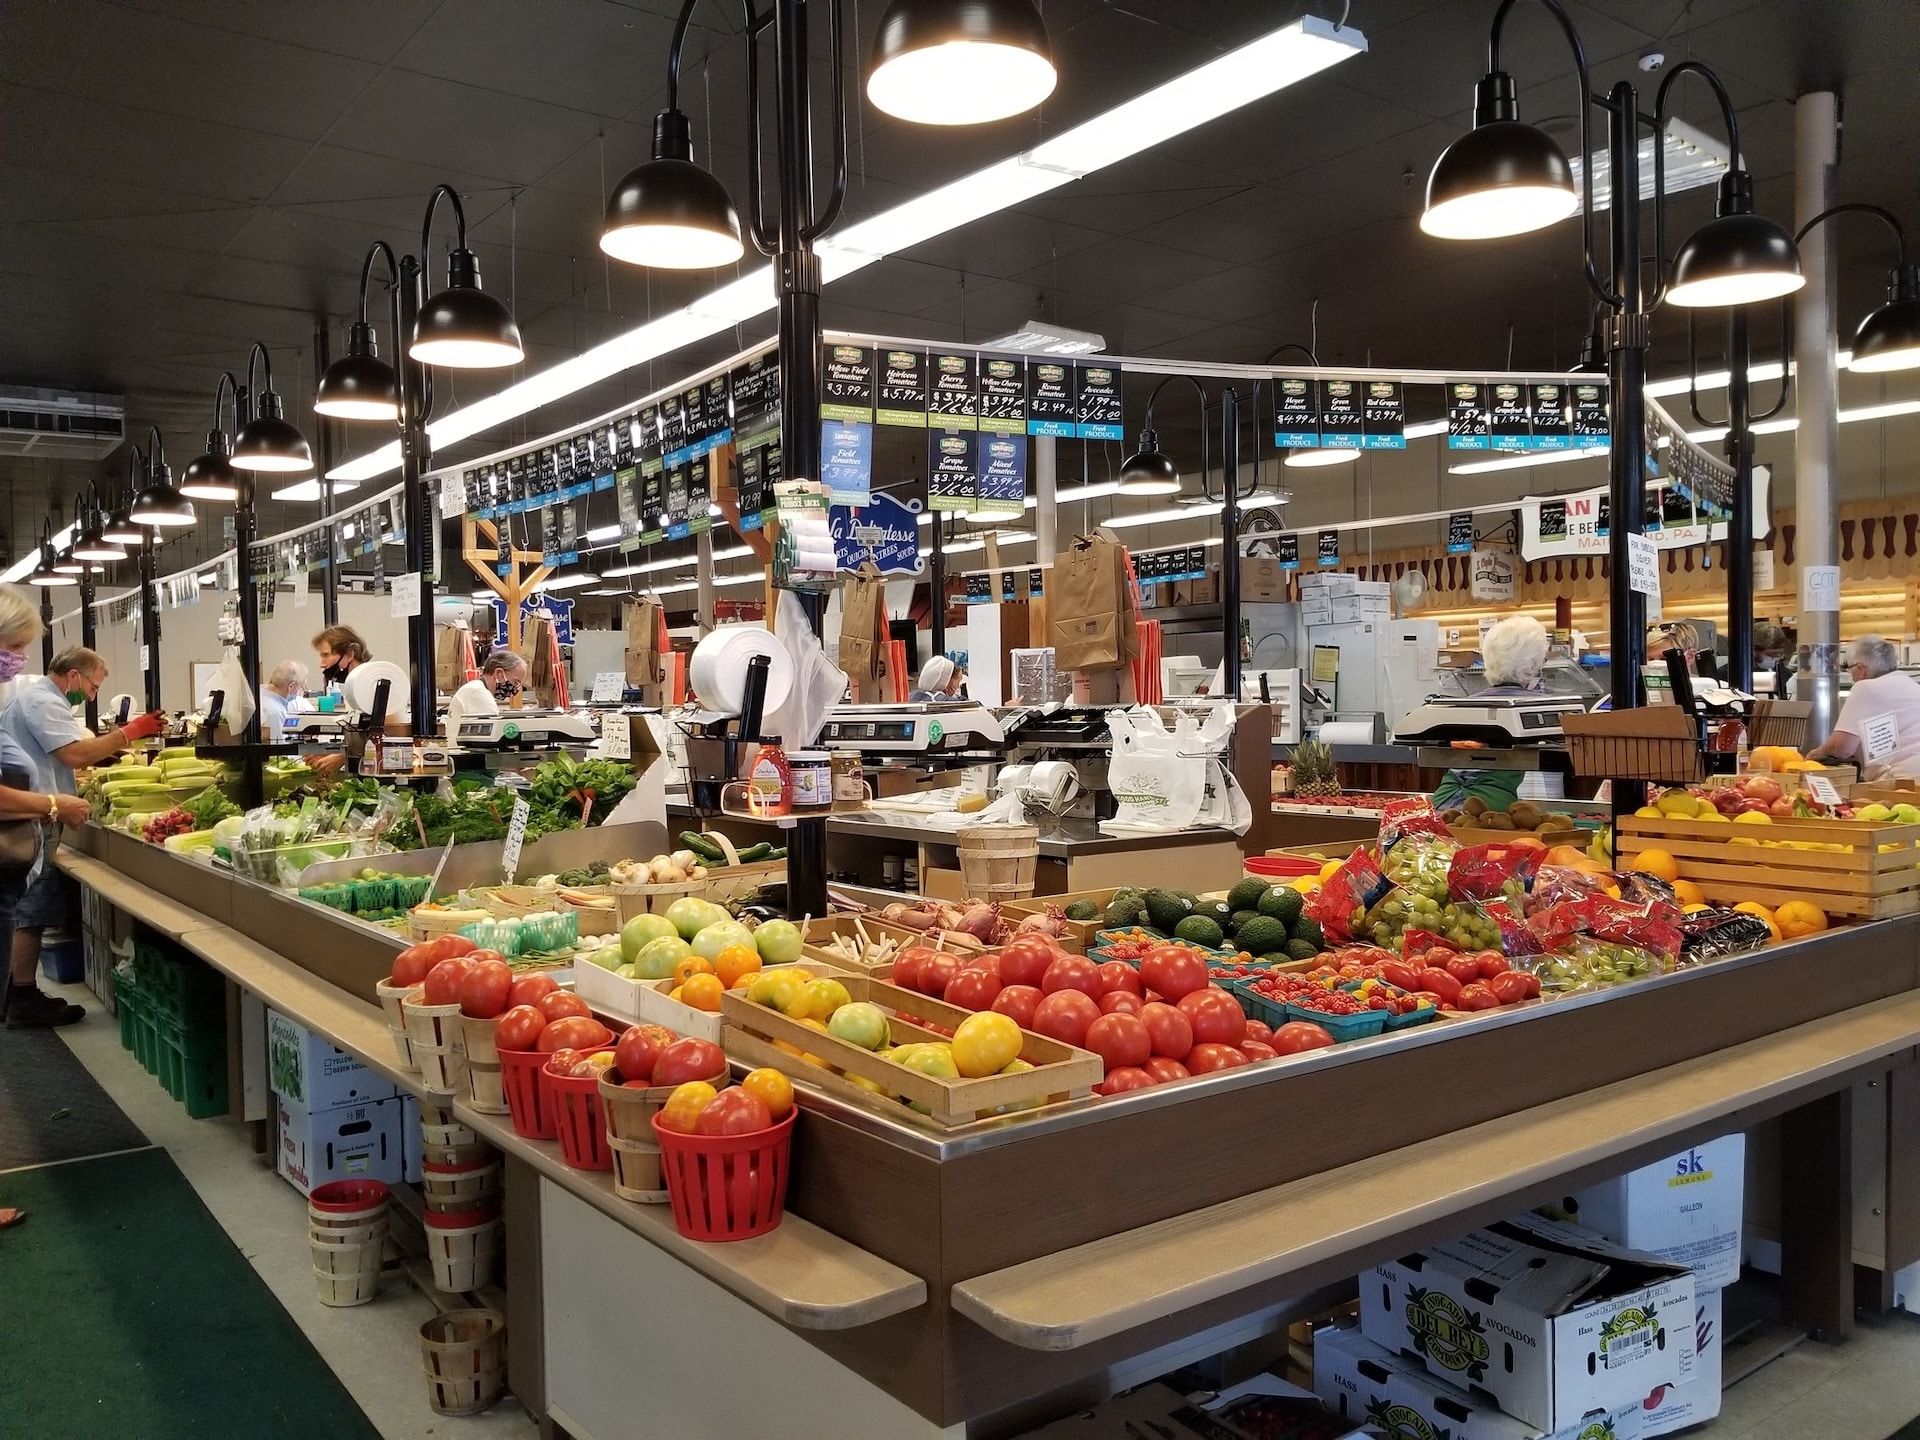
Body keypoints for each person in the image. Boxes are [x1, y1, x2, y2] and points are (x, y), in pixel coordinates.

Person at [0, 643, 160, 1027]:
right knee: (32, 906)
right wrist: (129, 733)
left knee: (30, 903)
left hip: (38, 810)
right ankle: (21, 995)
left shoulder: (37, 698)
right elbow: (72, 755)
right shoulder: (43, 701)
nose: (92, 695)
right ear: (74, 675)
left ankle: (16, 990)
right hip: (34, 814)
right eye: (92, 686)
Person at [1431, 615, 1550, 813]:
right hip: (1489, 811)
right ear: (1532, 665)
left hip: (1443, 803)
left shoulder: (1464, 706)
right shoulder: (1535, 709)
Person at [1807, 636, 1920, 780]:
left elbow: (1842, 747)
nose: (1851, 676)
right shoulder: (1912, 685)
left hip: (1901, 780)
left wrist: (1816, 754)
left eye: (1850, 669)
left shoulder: (1865, 688)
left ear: (1861, 670)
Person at [310, 625, 410, 775]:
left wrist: (342, 758)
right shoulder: (355, 688)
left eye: (326, 655)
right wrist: (332, 753)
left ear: (349, 654)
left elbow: (393, 738)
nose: (322, 664)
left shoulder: (373, 685)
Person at [445, 649, 529, 738]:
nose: (515, 689)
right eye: (516, 682)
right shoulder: (478, 693)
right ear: (499, 673)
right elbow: (496, 734)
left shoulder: (475, 688)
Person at [260, 659, 308, 736]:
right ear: (291, 686)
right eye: (301, 687)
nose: (300, 691)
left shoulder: (258, 693)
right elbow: (278, 745)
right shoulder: (275, 712)